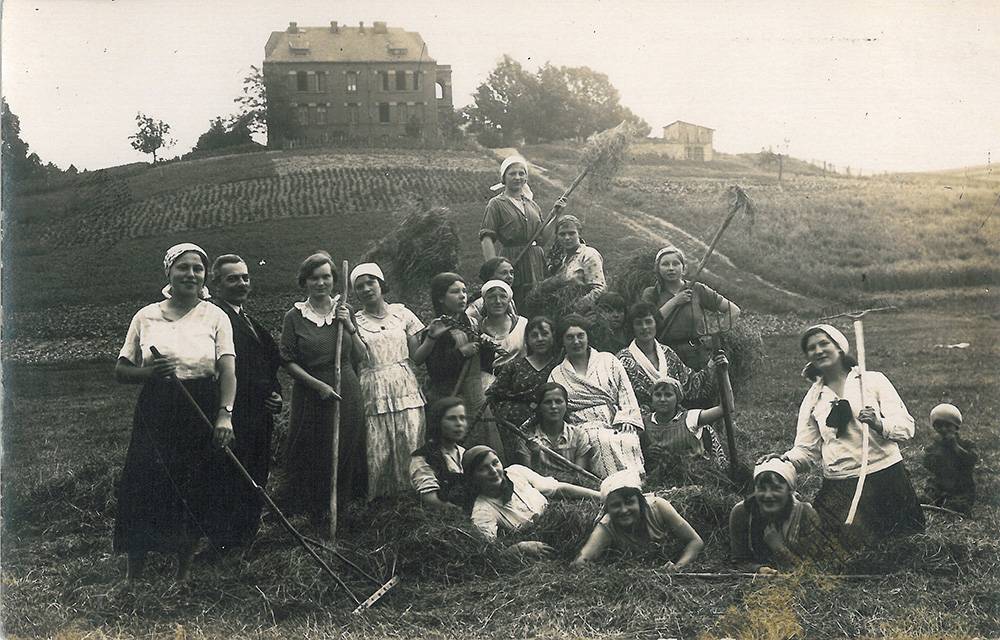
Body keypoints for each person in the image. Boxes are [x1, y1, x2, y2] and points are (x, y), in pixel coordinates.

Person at [114, 243, 238, 585]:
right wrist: (149, 374)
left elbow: (228, 372)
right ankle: (133, 575)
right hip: (156, 409)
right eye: (183, 267)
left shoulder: (216, 316)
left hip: (198, 405)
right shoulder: (146, 316)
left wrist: (224, 415)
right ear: (168, 272)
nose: (191, 275)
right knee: (143, 484)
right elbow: (121, 370)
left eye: (198, 269)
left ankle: (182, 574)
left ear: (205, 276)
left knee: (191, 486)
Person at [759, 324, 925, 539]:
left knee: (902, 541)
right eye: (811, 348)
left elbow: (906, 427)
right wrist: (785, 460)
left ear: (839, 347)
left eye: (824, 343)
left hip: (886, 476)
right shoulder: (813, 399)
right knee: (835, 544)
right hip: (842, 481)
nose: (818, 351)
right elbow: (807, 449)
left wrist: (878, 423)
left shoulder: (873, 381)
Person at [280, 252, 366, 522]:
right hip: (311, 392)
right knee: (314, 449)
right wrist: (318, 386)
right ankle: (314, 509)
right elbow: (288, 361)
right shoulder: (294, 317)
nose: (321, 283)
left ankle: (341, 506)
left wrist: (349, 325)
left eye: (326, 277)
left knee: (346, 446)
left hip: (347, 389)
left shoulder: (345, 310)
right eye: (314, 278)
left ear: (334, 279)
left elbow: (361, 355)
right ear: (304, 282)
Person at [208, 254, 283, 548]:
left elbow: (268, 362)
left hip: (259, 414)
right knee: (230, 476)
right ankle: (224, 542)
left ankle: (245, 537)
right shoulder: (215, 319)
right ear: (216, 284)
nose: (241, 283)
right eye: (233, 278)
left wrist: (276, 392)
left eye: (245, 277)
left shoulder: (248, 320)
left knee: (256, 472)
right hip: (233, 412)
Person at [351, 262, 427, 500]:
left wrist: (432, 338)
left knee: (411, 435)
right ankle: (383, 500)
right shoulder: (354, 321)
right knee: (378, 443)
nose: (366, 289)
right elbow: (358, 357)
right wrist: (348, 327)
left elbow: (417, 356)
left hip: (405, 384)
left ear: (381, 284)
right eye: (359, 286)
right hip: (373, 386)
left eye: (370, 282)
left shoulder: (403, 314)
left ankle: (416, 494)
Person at [415, 272, 505, 456]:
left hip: (475, 396)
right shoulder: (435, 330)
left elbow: (484, 365)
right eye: (455, 292)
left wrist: (487, 347)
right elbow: (437, 371)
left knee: (486, 448)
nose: (462, 296)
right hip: (451, 398)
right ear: (441, 298)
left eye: (464, 291)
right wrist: (461, 352)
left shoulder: (472, 323)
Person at [548, 314, 645, 477]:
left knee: (627, 438)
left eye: (580, 336)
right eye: (570, 337)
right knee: (601, 439)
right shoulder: (557, 373)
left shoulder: (608, 360)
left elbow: (625, 392)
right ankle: (614, 483)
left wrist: (627, 419)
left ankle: (635, 480)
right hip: (581, 426)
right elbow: (555, 406)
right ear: (563, 342)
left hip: (615, 419)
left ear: (588, 337)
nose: (576, 341)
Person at [464, 445, 600, 552]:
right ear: (473, 477)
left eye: (495, 463)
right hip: (546, 539)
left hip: (561, 518)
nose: (493, 471)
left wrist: (600, 496)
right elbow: (490, 550)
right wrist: (520, 547)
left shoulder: (516, 472)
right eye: (483, 468)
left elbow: (558, 488)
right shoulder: (483, 509)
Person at [480, 155, 566, 306]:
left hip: (536, 261)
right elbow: (487, 237)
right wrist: (494, 270)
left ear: (526, 177)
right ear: (503, 178)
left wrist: (556, 216)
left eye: (522, 173)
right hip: (513, 261)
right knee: (516, 302)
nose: (517, 177)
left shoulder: (532, 205)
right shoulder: (496, 204)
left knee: (538, 302)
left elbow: (541, 240)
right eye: (512, 173)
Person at [573, 470, 703, 569]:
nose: (624, 510)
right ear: (608, 509)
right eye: (616, 505)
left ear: (640, 502)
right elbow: (582, 560)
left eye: (629, 502)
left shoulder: (658, 507)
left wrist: (677, 567)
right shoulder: (607, 525)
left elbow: (695, 541)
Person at [641, 245, 741, 370]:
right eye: (665, 264)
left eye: (676, 264)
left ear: (683, 268)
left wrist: (715, 331)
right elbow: (649, 323)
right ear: (658, 269)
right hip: (664, 356)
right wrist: (675, 301)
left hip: (697, 356)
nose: (671, 268)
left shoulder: (697, 289)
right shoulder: (651, 294)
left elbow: (734, 310)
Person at [617, 302, 723, 411]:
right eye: (639, 323)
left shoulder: (667, 353)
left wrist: (712, 364)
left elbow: (691, 384)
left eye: (648, 322)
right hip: (642, 421)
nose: (644, 327)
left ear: (656, 324)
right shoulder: (622, 360)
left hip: (675, 418)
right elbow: (619, 398)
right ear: (632, 327)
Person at [729, 459, 827, 574]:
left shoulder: (805, 515)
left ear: (789, 490)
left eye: (776, 488)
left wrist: (778, 547)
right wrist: (758, 570)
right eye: (762, 488)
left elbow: (813, 568)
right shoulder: (742, 512)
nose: (768, 495)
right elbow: (740, 560)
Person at [488, 316, 559, 455]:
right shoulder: (515, 365)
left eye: (545, 334)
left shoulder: (558, 365)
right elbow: (493, 395)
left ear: (553, 336)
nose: (539, 339)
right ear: (527, 339)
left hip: (544, 423)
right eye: (534, 335)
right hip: (509, 426)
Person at [641, 378, 730, 473]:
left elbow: (726, 408)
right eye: (658, 395)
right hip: (657, 481)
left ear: (677, 399)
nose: (662, 399)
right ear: (652, 398)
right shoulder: (643, 422)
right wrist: (645, 453)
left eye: (668, 395)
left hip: (693, 478)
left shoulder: (690, 418)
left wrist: (724, 373)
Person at [512, 383, 596, 477]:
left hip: (573, 489)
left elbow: (579, 477)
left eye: (558, 401)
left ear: (566, 405)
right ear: (539, 407)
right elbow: (529, 478)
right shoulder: (527, 439)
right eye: (547, 402)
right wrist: (535, 455)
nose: (554, 406)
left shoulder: (579, 435)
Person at [410, 397, 469, 511]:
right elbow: (431, 500)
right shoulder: (423, 458)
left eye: (462, 418)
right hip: (447, 517)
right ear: (438, 422)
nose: (459, 424)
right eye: (452, 419)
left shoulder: (464, 453)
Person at [536, 215, 606, 308]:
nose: (567, 238)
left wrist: (576, 308)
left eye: (571, 233)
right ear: (557, 236)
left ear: (579, 233)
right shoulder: (562, 258)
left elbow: (599, 289)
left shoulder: (588, 254)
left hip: (583, 312)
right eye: (562, 234)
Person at [922, 403, 977, 514]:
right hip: (940, 483)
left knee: (958, 503)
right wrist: (939, 449)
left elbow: (971, 461)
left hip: (961, 485)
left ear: (956, 427)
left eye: (948, 425)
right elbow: (928, 465)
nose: (943, 429)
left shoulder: (966, 444)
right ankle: (931, 501)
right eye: (939, 426)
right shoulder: (933, 446)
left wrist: (955, 447)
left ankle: (955, 505)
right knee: (929, 493)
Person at [478, 279, 528, 391]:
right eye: (491, 297)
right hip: (488, 382)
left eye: (503, 296)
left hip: (520, 378)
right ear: (484, 301)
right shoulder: (477, 327)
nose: (498, 301)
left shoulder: (523, 324)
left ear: (509, 300)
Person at [467, 257, 518, 324]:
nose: (510, 277)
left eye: (511, 273)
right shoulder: (479, 303)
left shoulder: (509, 300)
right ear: (490, 276)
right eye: (504, 273)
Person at [586, 291, 631, 355]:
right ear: (600, 313)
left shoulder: (630, 333)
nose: (616, 315)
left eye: (620, 311)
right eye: (610, 311)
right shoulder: (594, 335)